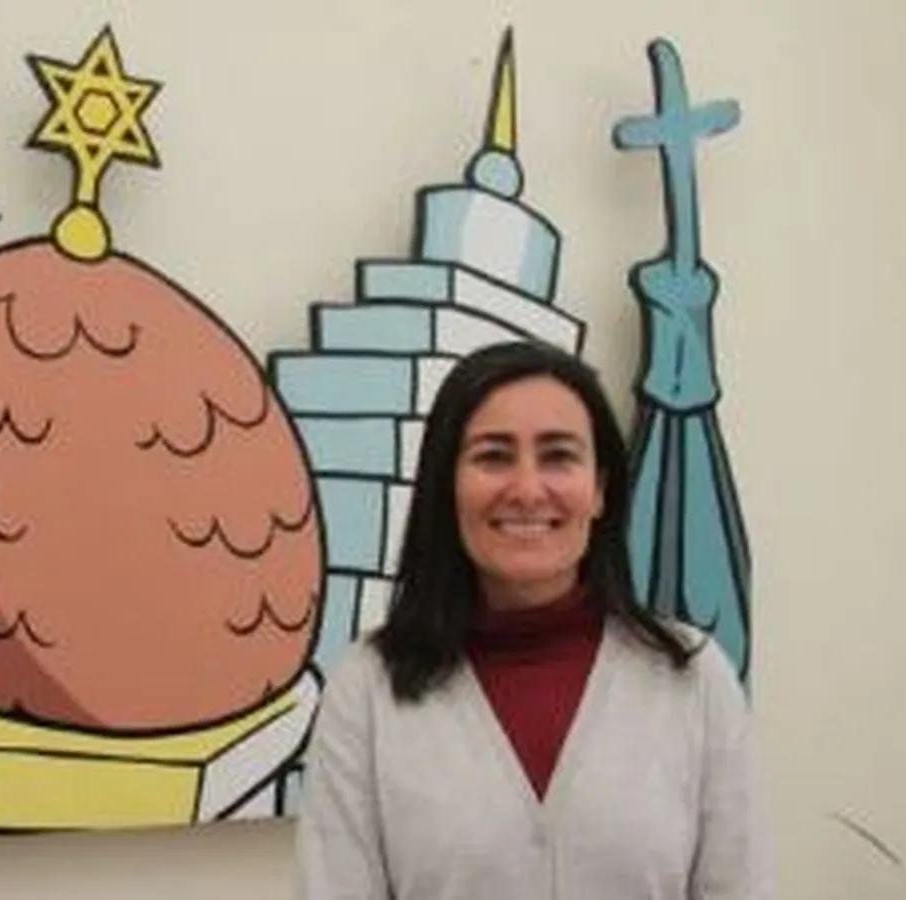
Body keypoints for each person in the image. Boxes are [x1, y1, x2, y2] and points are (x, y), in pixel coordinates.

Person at [293, 340, 771, 899]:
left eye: (558, 456)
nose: (526, 490)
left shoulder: (693, 677)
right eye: (493, 456)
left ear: (600, 489)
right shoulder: (368, 688)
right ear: (448, 487)